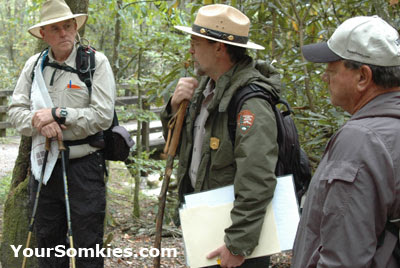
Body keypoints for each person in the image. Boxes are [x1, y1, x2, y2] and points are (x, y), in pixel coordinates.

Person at [161, 4, 281, 268]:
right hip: (206, 224)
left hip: (235, 240)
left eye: (196, 42)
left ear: (219, 48)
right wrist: (173, 107)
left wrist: (237, 244)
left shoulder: (250, 101)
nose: (191, 50)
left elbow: (257, 178)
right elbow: (181, 148)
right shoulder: (205, 89)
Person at [8, 0, 115, 267]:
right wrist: (40, 122)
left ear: (75, 28)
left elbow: (102, 115)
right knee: (47, 243)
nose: (64, 33)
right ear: (44, 34)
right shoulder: (34, 65)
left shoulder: (94, 63)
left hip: (85, 167)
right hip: (44, 166)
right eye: (55, 28)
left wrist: (58, 114)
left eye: (68, 26)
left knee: (87, 244)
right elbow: (16, 111)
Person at [292, 15, 400, 268]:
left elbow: (343, 256)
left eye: (331, 70)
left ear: (363, 76)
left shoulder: (362, 141)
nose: (324, 78)